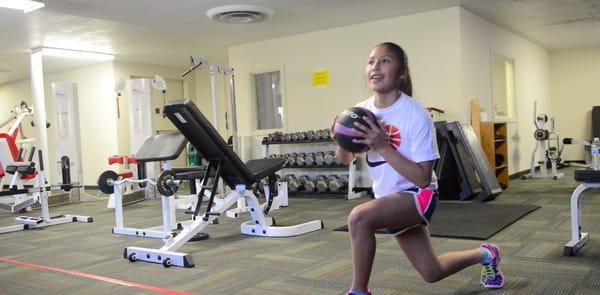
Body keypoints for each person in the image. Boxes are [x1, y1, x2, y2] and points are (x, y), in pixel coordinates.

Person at [334, 42, 504, 295]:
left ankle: (358, 291)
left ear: (402, 72)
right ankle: (486, 254)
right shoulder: (362, 112)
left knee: (359, 218)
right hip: (387, 199)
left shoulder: (415, 115)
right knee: (431, 272)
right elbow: (344, 159)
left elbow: (423, 178)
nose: (375, 67)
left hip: (418, 195)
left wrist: (382, 146)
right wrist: (339, 138)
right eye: (371, 61)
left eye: (385, 61)